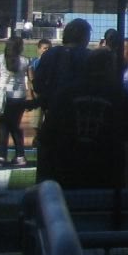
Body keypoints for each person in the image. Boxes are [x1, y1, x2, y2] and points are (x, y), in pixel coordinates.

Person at [49, 47, 128, 190]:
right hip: (108, 172)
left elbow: (48, 136)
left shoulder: (66, 93)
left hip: (68, 169)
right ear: (110, 67)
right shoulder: (120, 95)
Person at [31, 18, 92, 181]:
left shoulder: (50, 54)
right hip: (82, 124)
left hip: (52, 119)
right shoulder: (89, 56)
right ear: (84, 37)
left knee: (47, 173)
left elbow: (37, 85)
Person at [0, 34, 33, 167]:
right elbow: (31, 80)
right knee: (15, 126)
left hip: (3, 96)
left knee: (3, 127)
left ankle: (2, 158)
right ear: (20, 47)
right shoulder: (25, 61)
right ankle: (20, 157)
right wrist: (32, 96)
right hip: (19, 97)